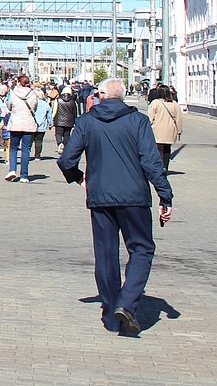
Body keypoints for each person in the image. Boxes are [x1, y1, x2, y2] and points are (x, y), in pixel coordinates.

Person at [57, 78, 173, 335]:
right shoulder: (139, 121)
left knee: (106, 255)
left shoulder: (86, 122)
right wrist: (165, 196)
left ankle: (111, 315)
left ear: (99, 96)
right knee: (142, 249)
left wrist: (78, 177)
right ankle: (127, 303)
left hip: (100, 198)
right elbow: (152, 162)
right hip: (134, 198)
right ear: (123, 97)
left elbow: (66, 160)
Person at [5, 76, 39, 183]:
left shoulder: (13, 94)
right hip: (29, 125)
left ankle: (12, 170)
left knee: (13, 148)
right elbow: (35, 108)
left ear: (19, 82)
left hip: (15, 124)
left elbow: (9, 107)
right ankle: (24, 175)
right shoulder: (33, 94)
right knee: (26, 150)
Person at [147, 86, 184, 172]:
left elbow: (150, 118)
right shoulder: (174, 104)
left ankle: (160, 168)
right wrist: (179, 131)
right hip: (170, 130)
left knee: (158, 149)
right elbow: (179, 118)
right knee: (167, 149)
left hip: (157, 130)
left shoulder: (155, 103)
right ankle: (165, 167)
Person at [53, 85, 78, 153]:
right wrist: (75, 121)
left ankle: (60, 143)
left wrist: (52, 118)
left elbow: (55, 110)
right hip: (69, 121)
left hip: (59, 120)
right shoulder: (73, 101)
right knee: (67, 135)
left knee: (58, 133)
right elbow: (75, 112)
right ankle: (64, 145)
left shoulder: (58, 100)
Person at [33, 85, 54, 161]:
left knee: (29, 142)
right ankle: (37, 156)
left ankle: (26, 154)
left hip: (31, 125)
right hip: (42, 125)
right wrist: (50, 124)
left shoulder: (32, 103)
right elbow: (49, 115)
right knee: (39, 141)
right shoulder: (45, 104)